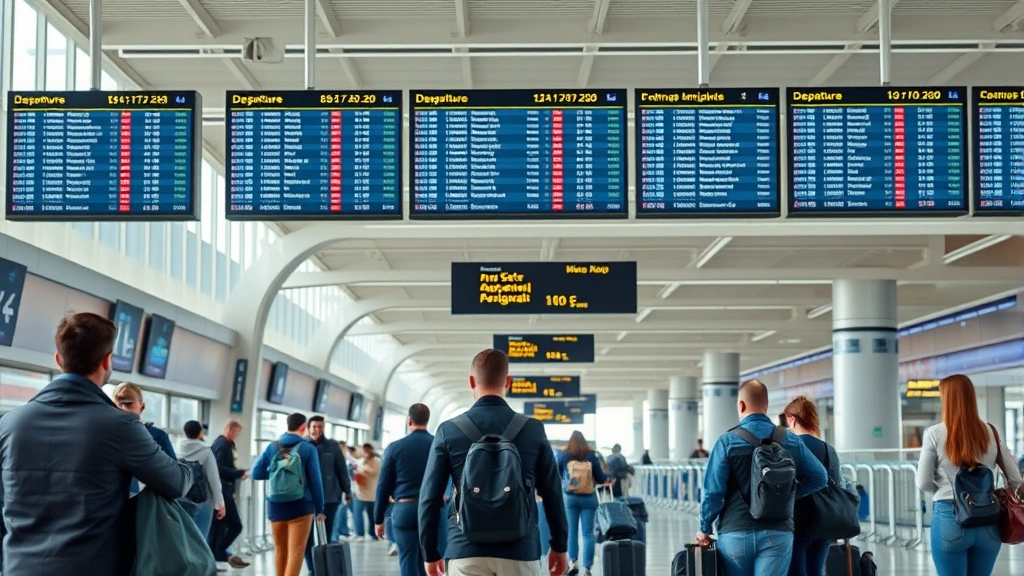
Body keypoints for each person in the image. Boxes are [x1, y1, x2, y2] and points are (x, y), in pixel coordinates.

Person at [0, 312, 193, 576]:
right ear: (107, 361)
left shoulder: (9, 424)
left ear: (59, 359)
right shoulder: (120, 426)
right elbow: (176, 483)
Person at [419, 349, 569, 576]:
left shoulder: (448, 431)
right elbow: (552, 492)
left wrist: (430, 553)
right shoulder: (532, 428)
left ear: (471, 381)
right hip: (521, 550)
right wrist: (559, 546)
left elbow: (429, 498)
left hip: (465, 549)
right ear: (507, 382)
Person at [696, 379, 828, 576]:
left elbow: (713, 492)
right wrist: (787, 495)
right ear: (766, 406)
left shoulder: (727, 441)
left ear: (741, 405)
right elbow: (819, 477)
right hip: (778, 532)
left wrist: (704, 528)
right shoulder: (790, 439)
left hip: (735, 531)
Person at [916, 374, 1022, 576]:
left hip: (950, 518)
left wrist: (941, 493)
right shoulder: (991, 431)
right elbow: (1015, 479)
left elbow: (922, 482)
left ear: (946, 399)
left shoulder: (935, 433)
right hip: (989, 522)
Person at [251, 413, 326, 576]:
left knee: (280, 550)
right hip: (301, 505)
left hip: (276, 505)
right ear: (303, 427)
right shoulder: (308, 448)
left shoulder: (272, 446)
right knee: (296, 552)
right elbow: (316, 482)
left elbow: (256, 473)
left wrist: (276, 473)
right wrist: (319, 508)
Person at [783, 397, 843, 576]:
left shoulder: (791, 447)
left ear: (792, 420)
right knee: (816, 571)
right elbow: (836, 483)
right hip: (824, 521)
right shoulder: (828, 449)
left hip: (798, 521)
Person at [374, 404, 435, 576]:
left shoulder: (394, 447)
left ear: (409, 420)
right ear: (427, 420)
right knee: (427, 559)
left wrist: (379, 519)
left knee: (407, 558)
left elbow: (383, 485)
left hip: (404, 508)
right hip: (431, 509)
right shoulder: (438, 444)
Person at [555, 430, 610, 576]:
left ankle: (573, 563)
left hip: (569, 498)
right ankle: (587, 568)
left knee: (572, 532)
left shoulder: (563, 454)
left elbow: (557, 474)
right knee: (588, 533)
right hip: (589, 498)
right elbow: (600, 478)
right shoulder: (591, 455)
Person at [303, 416, 352, 573]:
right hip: (307, 500)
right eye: (314, 426)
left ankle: (326, 568)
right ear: (309, 427)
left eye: (320, 426)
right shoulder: (302, 445)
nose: (317, 429)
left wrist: (347, 491)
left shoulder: (332, 446)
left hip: (330, 498)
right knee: (306, 538)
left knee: (328, 536)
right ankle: (313, 570)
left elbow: (342, 470)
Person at [113, 382, 176, 496]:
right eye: (119, 406)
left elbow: (173, 475)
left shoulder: (157, 436)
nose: (124, 410)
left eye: (128, 404)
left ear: (141, 405)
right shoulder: (107, 434)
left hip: (144, 498)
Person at [210, 419, 251, 571]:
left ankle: (217, 557)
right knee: (235, 525)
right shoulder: (222, 445)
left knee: (218, 527)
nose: (237, 436)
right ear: (230, 430)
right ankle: (220, 552)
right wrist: (239, 473)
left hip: (223, 490)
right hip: (222, 491)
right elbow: (220, 468)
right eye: (236, 432)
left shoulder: (222, 444)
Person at [179, 420, 227, 539]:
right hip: (202, 501)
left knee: (183, 537)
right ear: (200, 433)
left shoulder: (177, 451)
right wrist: (220, 504)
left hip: (180, 499)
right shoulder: (205, 452)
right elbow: (214, 479)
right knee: (200, 539)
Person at [353, 442, 382, 540]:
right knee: (357, 513)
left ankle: (373, 533)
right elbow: (356, 471)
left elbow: (374, 472)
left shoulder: (377, 461)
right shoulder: (360, 461)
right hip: (360, 492)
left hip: (372, 493)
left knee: (372, 515)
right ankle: (360, 534)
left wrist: (364, 469)